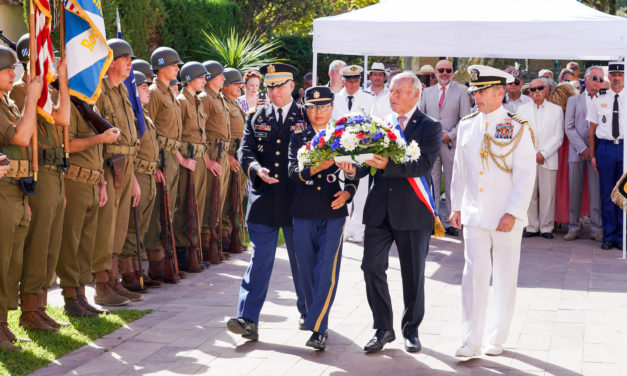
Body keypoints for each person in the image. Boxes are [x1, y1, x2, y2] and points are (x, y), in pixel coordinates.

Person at [351, 72, 442, 354]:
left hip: (413, 211)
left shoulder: (430, 127)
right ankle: (383, 328)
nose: (392, 96)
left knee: (413, 275)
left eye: (398, 92)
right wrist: (353, 166)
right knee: (371, 267)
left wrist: (384, 164)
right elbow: (367, 165)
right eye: (390, 91)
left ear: (416, 94)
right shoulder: (381, 124)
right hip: (379, 211)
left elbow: (421, 166)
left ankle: (411, 329)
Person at [450, 65, 536, 358]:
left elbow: (525, 174)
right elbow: (460, 172)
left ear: (501, 92)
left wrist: (513, 211)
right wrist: (457, 206)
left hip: (506, 216)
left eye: (483, 91)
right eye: (475, 91)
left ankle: (495, 337)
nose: (477, 97)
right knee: (473, 276)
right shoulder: (467, 124)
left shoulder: (517, 126)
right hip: (475, 214)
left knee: (504, 276)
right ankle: (470, 339)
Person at [228, 63, 306, 341]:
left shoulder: (306, 115)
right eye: (269, 86)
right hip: (263, 199)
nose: (272, 91)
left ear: (291, 87)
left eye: (278, 86)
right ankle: (248, 318)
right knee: (260, 259)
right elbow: (245, 150)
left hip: (297, 200)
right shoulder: (256, 115)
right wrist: (255, 169)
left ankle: (309, 313)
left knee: (301, 261)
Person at [288, 86, 359, 351]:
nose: (318, 112)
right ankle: (309, 312)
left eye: (324, 107)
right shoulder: (298, 136)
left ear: (332, 108)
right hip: (304, 210)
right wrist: (321, 166)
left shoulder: (343, 135)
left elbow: (357, 170)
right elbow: (293, 172)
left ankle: (319, 327)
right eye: (313, 107)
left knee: (326, 270)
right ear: (306, 110)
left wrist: (348, 191)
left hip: (333, 210)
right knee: (306, 269)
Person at [18, 43, 71, 332]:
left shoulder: (47, 94)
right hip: (36, 174)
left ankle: (39, 305)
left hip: (55, 173)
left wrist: (62, 81)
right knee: (38, 244)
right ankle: (28, 309)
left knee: (51, 244)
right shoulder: (21, 90)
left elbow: (63, 118)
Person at [57, 92, 121, 315]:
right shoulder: (69, 105)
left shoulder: (86, 106)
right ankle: (70, 297)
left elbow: (96, 153)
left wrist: (101, 181)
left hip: (93, 182)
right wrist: (99, 138)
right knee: (70, 244)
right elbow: (67, 144)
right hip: (74, 182)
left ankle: (81, 295)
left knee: (85, 246)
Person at [92, 39, 141, 304]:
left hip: (126, 165)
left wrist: (133, 178)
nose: (129, 63)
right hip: (109, 165)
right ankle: (101, 284)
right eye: (125, 59)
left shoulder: (122, 91)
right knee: (106, 225)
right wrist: (100, 177)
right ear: (110, 62)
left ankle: (113, 280)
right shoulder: (99, 91)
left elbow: (130, 137)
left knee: (120, 226)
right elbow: (97, 135)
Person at [0, 45, 42, 351]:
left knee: (11, 261)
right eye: (6, 70)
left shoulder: (5, 103)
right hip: (3, 189)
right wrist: (31, 99)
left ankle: (2, 324)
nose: (14, 74)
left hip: (16, 189)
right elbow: (19, 137)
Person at [119, 71, 163, 292]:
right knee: (131, 225)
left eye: (147, 86)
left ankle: (138, 270)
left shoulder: (143, 114)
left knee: (142, 226)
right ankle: (128, 273)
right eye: (143, 87)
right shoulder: (134, 115)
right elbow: (132, 150)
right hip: (138, 174)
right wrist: (134, 178)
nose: (147, 90)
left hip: (149, 174)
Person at [144, 46, 184, 283]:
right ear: (161, 67)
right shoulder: (155, 93)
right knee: (160, 209)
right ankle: (157, 263)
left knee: (169, 208)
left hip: (173, 154)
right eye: (173, 65)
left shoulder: (169, 92)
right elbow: (150, 130)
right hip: (161, 155)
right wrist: (158, 163)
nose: (177, 68)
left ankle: (166, 260)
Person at [419, 59, 471, 236]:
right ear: (435, 72)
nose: (444, 73)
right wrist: (430, 135)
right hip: (431, 144)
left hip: (451, 144)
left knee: (452, 183)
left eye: (448, 70)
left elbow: (465, 118)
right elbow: (421, 116)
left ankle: (451, 222)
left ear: (452, 72)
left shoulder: (462, 91)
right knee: (431, 182)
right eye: (441, 70)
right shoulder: (427, 93)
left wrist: (451, 134)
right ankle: (432, 220)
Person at [173, 61, 209, 272]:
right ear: (189, 79)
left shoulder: (196, 101)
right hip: (187, 157)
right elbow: (175, 134)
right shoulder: (181, 102)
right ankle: (182, 251)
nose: (204, 80)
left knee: (196, 205)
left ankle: (193, 249)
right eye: (200, 77)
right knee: (183, 205)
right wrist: (181, 159)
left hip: (199, 156)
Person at [332, 64, 375, 243]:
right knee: (342, 188)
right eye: (349, 81)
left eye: (356, 80)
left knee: (362, 191)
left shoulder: (369, 99)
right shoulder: (334, 98)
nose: (353, 84)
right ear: (343, 80)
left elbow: (373, 124)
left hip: (361, 152)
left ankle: (359, 228)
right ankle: (345, 227)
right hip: (340, 151)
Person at [517, 78, 564, 239]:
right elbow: (520, 134)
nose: (536, 91)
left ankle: (546, 227)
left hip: (548, 158)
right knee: (529, 194)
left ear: (546, 89)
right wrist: (532, 154)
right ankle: (531, 226)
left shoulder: (556, 110)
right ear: (529, 92)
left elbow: (558, 136)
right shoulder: (521, 110)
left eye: (540, 88)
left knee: (547, 194)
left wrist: (543, 153)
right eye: (532, 89)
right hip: (528, 157)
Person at [564, 66, 604, 241]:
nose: (598, 82)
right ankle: (574, 226)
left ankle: (596, 228)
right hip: (577, 151)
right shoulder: (574, 101)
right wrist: (583, 148)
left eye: (601, 79)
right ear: (586, 79)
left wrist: (593, 150)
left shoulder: (606, 100)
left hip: (598, 151)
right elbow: (569, 127)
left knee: (596, 191)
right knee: (575, 190)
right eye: (595, 78)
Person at [588, 62, 625, 250]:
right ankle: (609, 235)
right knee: (607, 194)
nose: (616, 78)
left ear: (624, 76)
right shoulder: (599, 98)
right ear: (608, 77)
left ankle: (621, 236)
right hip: (606, 149)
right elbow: (592, 128)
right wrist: (593, 155)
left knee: (623, 194)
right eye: (613, 75)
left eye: (620, 74)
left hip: (625, 148)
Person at [199, 60, 229, 264]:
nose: (224, 78)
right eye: (220, 75)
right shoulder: (205, 98)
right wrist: (207, 160)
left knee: (217, 201)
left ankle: (213, 246)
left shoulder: (219, 98)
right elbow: (199, 131)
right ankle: (204, 247)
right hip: (211, 151)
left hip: (223, 152)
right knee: (209, 200)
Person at [221, 68, 248, 254]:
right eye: (236, 83)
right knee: (227, 200)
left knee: (236, 198)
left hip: (239, 155)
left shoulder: (235, 103)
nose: (240, 86)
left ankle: (232, 237)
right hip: (230, 155)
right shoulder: (224, 104)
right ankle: (224, 239)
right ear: (225, 86)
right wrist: (228, 156)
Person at [548, 84, 579, 231]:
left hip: (562, 149)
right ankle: (569, 220)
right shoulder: (573, 107)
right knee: (568, 186)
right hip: (566, 148)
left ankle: (555, 220)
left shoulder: (556, 110)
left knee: (558, 186)